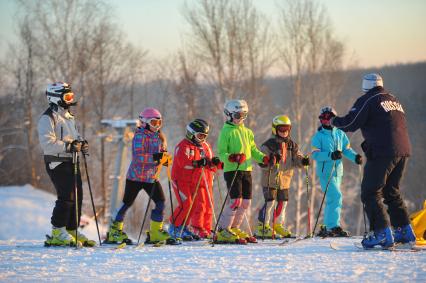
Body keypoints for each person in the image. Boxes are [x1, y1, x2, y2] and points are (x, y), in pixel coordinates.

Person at [330, 73, 415, 248]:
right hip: (403, 150)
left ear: (365, 86)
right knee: (391, 190)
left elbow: (350, 123)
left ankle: (382, 233)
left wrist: (332, 120)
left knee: (370, 192)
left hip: (383, 151)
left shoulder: (369, 99)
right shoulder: (393, 99)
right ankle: (404, 231)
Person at [105, 107, 174, 245]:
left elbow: (162, 154)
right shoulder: (139, 135)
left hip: (151, 178)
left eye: (159, 123)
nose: (157, 126)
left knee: (161, 202)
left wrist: (165, 159)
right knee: (127, 203)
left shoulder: (160, 137)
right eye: (154, 123)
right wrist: (156, 157)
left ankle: (155, 232)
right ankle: (114, 231)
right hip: (136, 177)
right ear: (144, 122)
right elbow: (138, 157)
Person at [38, 82, 95, 247]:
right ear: (55, 97)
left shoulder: (68, 116)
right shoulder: (47, 118)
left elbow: (75, 136)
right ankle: (57, 231)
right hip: (56, 162)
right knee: (67, 196)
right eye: (67, 97)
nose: (70, 100)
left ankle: (71, 229)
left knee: (77, 196)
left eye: (71, 96)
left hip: (72, 161)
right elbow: (47, 143)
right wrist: (68, 146)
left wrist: (81, 143)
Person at [215, 99, 270, 244]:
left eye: (244, 115)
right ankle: (223, 230)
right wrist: (232, 157)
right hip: (232, 170)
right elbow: (221, 153)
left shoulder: (247, 132)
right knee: (235, 201)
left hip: (246, 169)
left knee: (246, 202)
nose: (241, 119)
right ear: (229, 115)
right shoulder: (225, 132)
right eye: (238, 115)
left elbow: (252, 150)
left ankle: (234, 227)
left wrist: (263, 158)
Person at [311, 106, 362, 237]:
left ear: (334, 119)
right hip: (325, 173)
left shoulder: (340, 134)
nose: (326, 121)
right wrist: (330, 155)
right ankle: (333, 226)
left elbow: (346, 149)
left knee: (332, 198)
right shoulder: (318, 136)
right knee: (336, 196)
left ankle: (329, 226)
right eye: (323, 118)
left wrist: (355, 157)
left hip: (338, 172)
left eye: (329, 118)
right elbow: (315, 155)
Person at [255, 115, 310, 239]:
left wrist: (303, 161)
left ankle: (277, 225)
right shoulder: (268, 145)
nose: (284, 132)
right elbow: (261, 162)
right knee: (270, 202)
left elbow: (297, 159)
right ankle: (262, 227)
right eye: (281, 129)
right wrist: (271, 161)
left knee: (283, 203)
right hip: (270, 179)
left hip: (285, 180)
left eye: (286, 129)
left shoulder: (292, 145)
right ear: (275, 129)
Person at [168, 119, 223, 240]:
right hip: (180, 180)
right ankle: (174, 227)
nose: (202, 139)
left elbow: (207, 162)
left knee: (193, 206)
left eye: (204, 136)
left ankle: (184, 227)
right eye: (199, 136)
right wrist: (197, 163)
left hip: (193, 181)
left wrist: (215, 163)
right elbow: (184, 163)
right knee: (186, 204)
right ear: (191, 134)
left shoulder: (204, 146)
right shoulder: (183, 146)